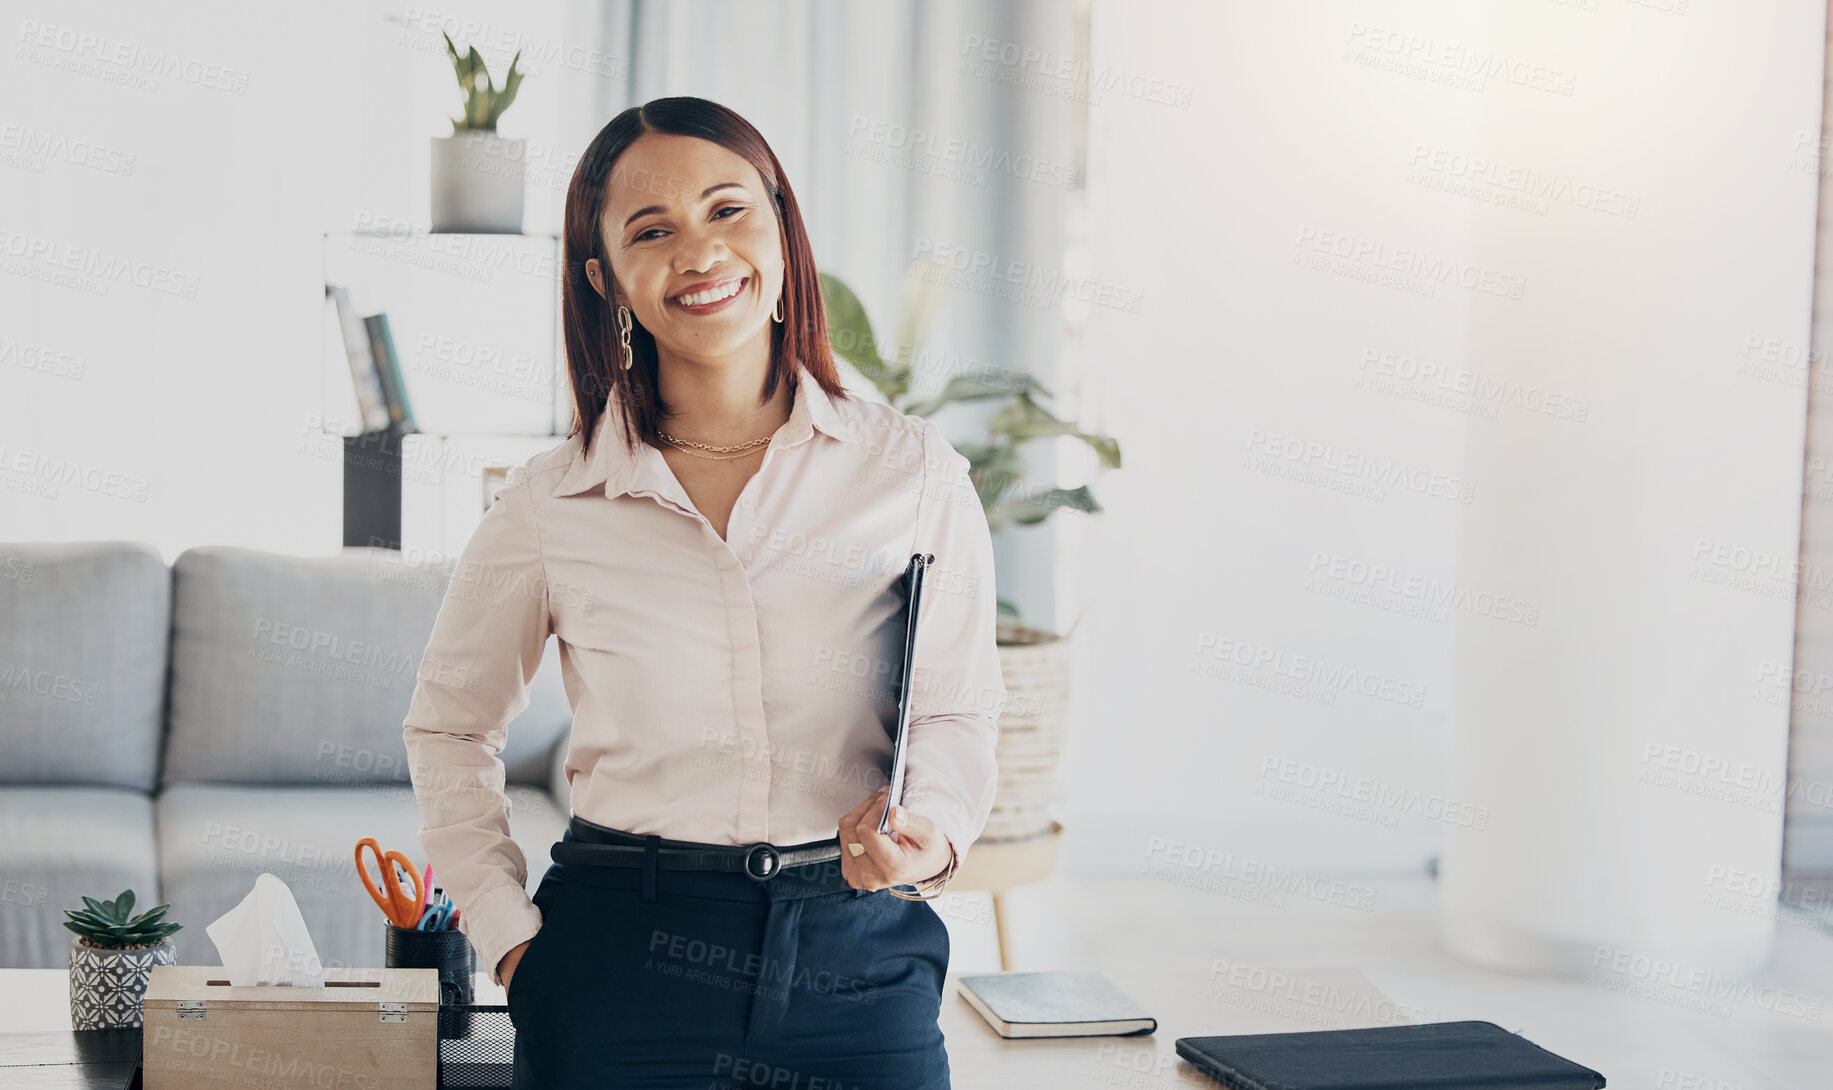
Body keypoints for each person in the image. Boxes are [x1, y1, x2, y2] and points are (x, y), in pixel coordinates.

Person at [401, 96, 1005, 1089]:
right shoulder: (552, 502)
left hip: (857, 962)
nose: (699, 252)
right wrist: (513, 944)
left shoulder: (911, 473)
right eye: (652, 230)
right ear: (605, 279)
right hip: (616, 969)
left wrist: (926, 833)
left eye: (728, 210)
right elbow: (449, 727)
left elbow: (954, 708)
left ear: (779, 226)